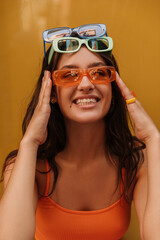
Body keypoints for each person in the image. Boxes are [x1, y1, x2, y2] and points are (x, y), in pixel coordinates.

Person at [0, 23, 159, 240]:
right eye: (69, 75)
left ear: (112, 88)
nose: (85, 83)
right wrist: (29, 142)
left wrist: (154, 138)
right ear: (51, 92)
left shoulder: (135, 161)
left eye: (98, 73)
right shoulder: (27, 165)